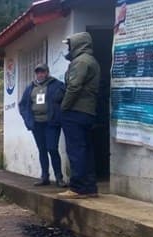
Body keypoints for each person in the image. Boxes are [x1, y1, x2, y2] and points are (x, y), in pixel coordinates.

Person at [58, 32, 101, 199]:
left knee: (76, 150)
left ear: (77, 44)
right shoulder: (90, 60)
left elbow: (74, 87)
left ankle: (78, 188)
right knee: (86, 150)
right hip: (87, 111)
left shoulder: (81, 61)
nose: (68, 48)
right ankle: (89, 187)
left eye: (69, 45)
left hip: (76, 111)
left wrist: (64, 107)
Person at [18, 63, 67, 187]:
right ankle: (44, 177)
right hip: (37, 124)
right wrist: (27, 119)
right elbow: (23, 105)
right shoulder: (30, 87)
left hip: (51, 123)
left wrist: (58, 114)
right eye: (38, 72)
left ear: (47, 72)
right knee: (42, 150)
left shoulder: (56, 85)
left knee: (52, 149)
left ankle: (59, 178)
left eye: (43, 72)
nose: (40, 74)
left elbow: (65, 98)